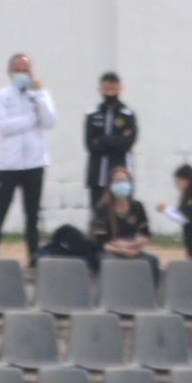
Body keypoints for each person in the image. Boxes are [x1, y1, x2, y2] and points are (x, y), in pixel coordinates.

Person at [0, 54, 57, 264]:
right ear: (9, 72)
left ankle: (33, 259)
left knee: (32, 217)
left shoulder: (40, 95)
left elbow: (50, 122)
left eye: (25, 71)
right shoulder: (0, 96)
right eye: (17, 70)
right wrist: (31, 118)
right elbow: (4, 127)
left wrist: (40, 97)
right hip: (7, 165)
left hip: (34, 164)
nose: (22, 75)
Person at [83, 73, 138, 210]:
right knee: (98, 215)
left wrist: (103, 139)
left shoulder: (128, 114)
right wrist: (116, 141)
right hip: (97, 175)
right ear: (100, 90)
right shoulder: (92, 114)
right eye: (106, 89)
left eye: (113, 89)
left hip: (121, 175)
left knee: (122, 213)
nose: (110, 92)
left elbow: (127, 143)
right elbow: (90, 145)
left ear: (120, 89)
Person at [88, 167, 156, 277]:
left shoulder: (137, 207)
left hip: (132, 247)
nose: (122, 184)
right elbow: (100, 243)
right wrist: (121, 250)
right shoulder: (103, 209)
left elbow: (146, 235)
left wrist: (131, 245)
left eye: (125, 181)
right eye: (118, 181)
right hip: (111, 250)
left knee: (152, 261)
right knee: (109, 262)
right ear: (111, 185)